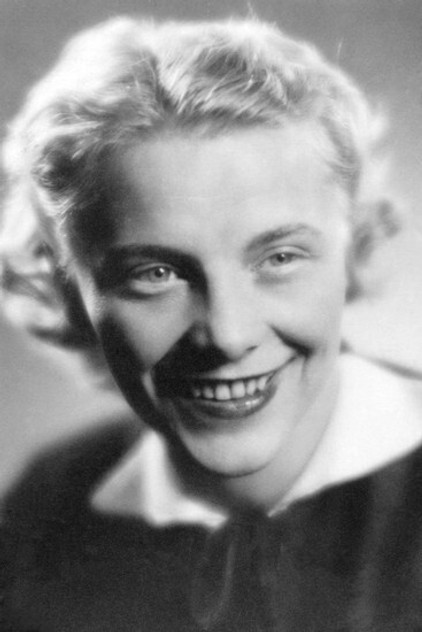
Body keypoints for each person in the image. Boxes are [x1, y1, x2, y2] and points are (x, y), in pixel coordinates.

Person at [0, 15, 421, 632]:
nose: (228, 334)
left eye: (279, 258)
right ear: (68, 290)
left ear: (353, 253)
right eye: (155, 273)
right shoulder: (47, 510)